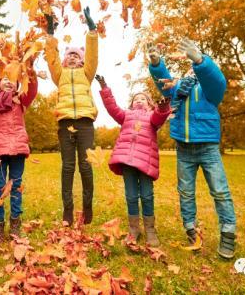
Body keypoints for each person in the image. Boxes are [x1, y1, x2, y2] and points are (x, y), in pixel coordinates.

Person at [148, 38, 237, 259]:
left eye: (194, 64)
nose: (191, 68)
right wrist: (157, 63)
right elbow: (163, 82)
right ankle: (191, 231)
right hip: (184, 149)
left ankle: (228, 234)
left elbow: (217, 80)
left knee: (220, 191)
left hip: (208, 148)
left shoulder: (210, 90)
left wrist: (200, 60)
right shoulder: (178, 88)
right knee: (186, 193)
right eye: (190, 64)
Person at [96, 74, 170, 246]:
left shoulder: (152, 116)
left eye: (143, 99)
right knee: (131, 196)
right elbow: (112, 108)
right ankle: (134, 229)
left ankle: (150, 229)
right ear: (131, 104)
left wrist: (163, 107)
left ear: (150, 104)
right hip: (127, 161)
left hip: (145, 163)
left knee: (146, 195)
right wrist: (104, 87)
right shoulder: (126, 116)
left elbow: (160, 116)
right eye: (136, 99)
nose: (139, 101)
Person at [44, 7, 98, 226]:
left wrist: (92, 30)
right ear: (65, 60)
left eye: (77, 55)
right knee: (68, 166)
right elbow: (52, 59)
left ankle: (87, 207)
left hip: (85, 122)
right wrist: (50, 34)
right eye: (70, 55)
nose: (73, 57)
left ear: (82, 60)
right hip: (65, 122)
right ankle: (68, 210)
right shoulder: (60, 75)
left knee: (85, 166)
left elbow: (93, 56)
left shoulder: (87, 73)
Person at [0, 58, 39, 243]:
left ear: (17, 83)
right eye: (4, 78)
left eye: (11, 78)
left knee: (16, 186)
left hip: (18, 148)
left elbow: (32, 90)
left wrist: (29, 68)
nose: (8, 80)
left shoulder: (20, 100)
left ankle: (15, 224)